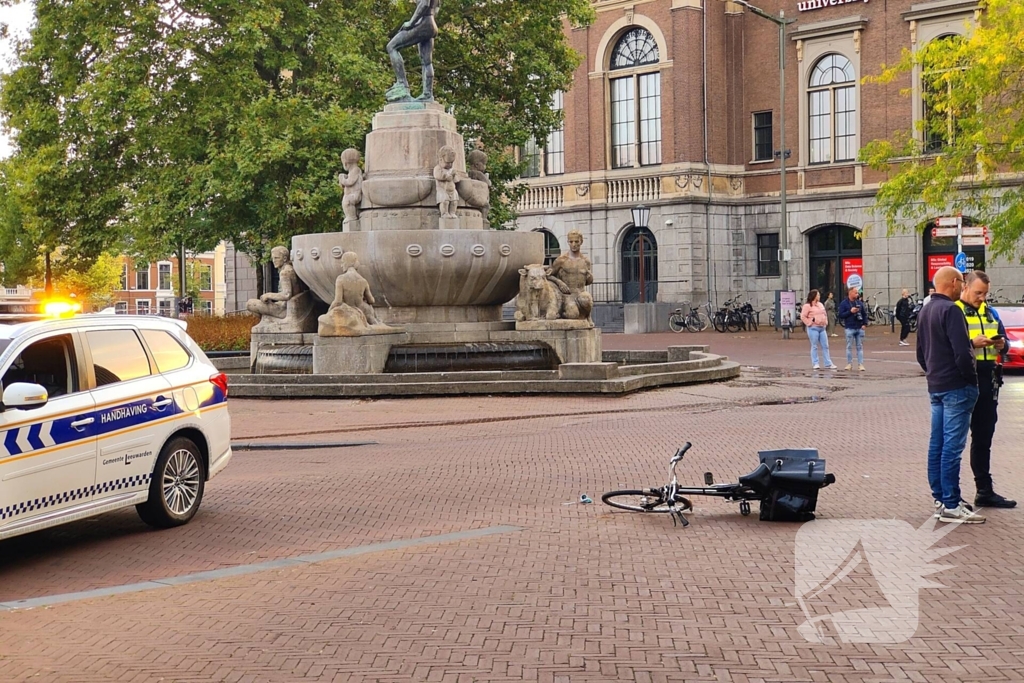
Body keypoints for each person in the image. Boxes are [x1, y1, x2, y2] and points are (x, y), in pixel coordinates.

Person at [917, 266, 985, 523]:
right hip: (957, 386)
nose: (962, 287)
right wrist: (971, 378)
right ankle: (951, 503)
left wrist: (933, 373)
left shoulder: (926, 310)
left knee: (937, 444)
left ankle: (940, 498)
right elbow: (962, 351)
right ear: (955, 283)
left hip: (936, 385)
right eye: (962, 282)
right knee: (952, 448)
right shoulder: (951, 310)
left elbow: (920, 353)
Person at [956, 270, 1015, 509]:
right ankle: (951, 495)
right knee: (955, 440)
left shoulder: (991, 312)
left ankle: (984, 490)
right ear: (965, 287)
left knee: (983, 437)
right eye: (978, 292)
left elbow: (1006, 343)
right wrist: (972, 344)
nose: (982, 297)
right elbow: (949, 347)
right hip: (964, 379)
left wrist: (1002, 344)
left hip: (988, 380)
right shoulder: (955, 311)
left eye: (985, 293)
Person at [385, 0, 439, 102]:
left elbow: (424, 4)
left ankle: (402, 84)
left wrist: (411, 22)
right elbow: (436, 8)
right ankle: (427, 94)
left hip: (424, 22)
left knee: (392, 47)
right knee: (427, 62)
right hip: (431, 23)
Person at [800, 290, 837, 370]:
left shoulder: (820, 304)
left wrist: (825, 322)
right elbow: (803, 316)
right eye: (818, 295)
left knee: (825, 346)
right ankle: (815, 363)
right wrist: (809, 323)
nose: (819, 296)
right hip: (813, 328)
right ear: (814, 296)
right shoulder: (807, 306)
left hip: (822, 328)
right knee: (814, 346)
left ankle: (828, 363)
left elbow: (824, 313)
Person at [837, 286, 869, 371]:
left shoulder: (859, 303)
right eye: (855, 292)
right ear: (850, 293)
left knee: (860, 346)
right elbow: (840, 315)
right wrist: (850, 312)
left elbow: (864, 314)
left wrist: (865, 324)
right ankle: (849, 364)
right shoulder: (844, 303)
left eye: (857, 293)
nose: (857, 294)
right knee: (849, 347)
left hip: (859, 327)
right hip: (849, 327)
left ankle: (860, 364)